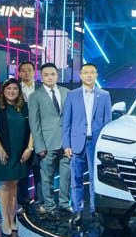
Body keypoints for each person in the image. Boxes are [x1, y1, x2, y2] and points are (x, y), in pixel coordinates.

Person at [62, 63, 112, 227]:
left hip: (96, 144)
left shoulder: (104, 95)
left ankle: (94, 210)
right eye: (86, 72)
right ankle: (78, 210)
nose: (89, 75)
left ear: (96, 75)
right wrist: (66, 144)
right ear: (81, 75)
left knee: (94, 179)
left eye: (92, 72)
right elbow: (67, 122)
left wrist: (105, 145)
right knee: (76, 179)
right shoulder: (72, 95)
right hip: (76, 143)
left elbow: (108, 122)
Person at [0, 78, 34, 235]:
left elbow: (32, 129)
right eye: (9, 89)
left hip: (20, 152)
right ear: (3, 90)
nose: (12, 91)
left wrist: (29, 148)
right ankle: (4, 220)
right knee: (3, 185)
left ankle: (11, 218)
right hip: (4, 152)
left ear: (19, 91)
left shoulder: (24, 107)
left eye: (15, 89)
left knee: (14, 185)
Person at [28, 62, 71, 216]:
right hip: (47, 143)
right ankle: (50, 206)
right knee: (47, 178)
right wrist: (39, 146)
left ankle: (64, 204)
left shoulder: (67, 92)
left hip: (66, 143)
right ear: (41, 76)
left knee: (66, 176)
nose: (50, 77)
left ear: (57, 75)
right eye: (46, 75)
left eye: (52, 74)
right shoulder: (35, 96)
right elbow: (34, 123)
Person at [16, 60, 43, 209]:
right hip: (20, 134)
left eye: (29, 70)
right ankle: (23, 201)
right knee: (22, 169)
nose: (26, 73)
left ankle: (40, 200)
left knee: (39, 169)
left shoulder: (41, 88)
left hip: (39, 134)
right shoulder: (13, 88)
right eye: (23, 70)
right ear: (19, 73)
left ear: (34, 72)